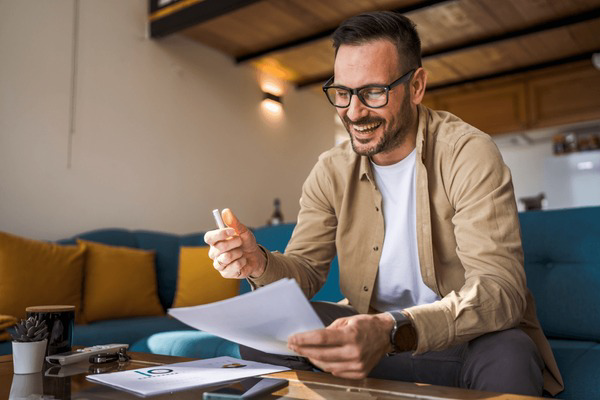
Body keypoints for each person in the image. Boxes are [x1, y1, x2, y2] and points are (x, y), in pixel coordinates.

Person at [204, 11, 563, 397]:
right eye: (343, 93)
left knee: (510, 353)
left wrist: (391, 330)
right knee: (265, 329)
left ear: (417, 86)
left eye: (373, 92)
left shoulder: (468, 153)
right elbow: (306, 271)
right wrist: (258, 262)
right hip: (366, 336)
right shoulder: (331, 170)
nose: (354, 112)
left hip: (460, 342)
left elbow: (499, 290)